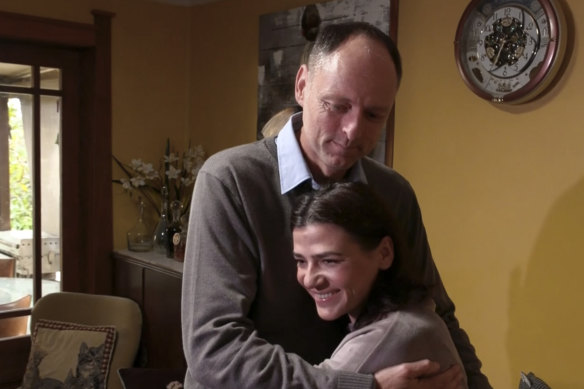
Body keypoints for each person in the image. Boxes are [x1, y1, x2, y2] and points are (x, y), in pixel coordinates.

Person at [182, 21, 491, 389]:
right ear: (301, 86)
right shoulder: (230, 181)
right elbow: (215, 349)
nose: (352, 131)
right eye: (337, 106)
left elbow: (436, 308)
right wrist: (358, 387)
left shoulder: (393, 194)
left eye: (374, 115)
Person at [291, 181, 468, 389]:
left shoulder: (390, 333)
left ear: (384, 253)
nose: (310, 279)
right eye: (301, 261)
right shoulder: (412, 312)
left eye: (330, 261)